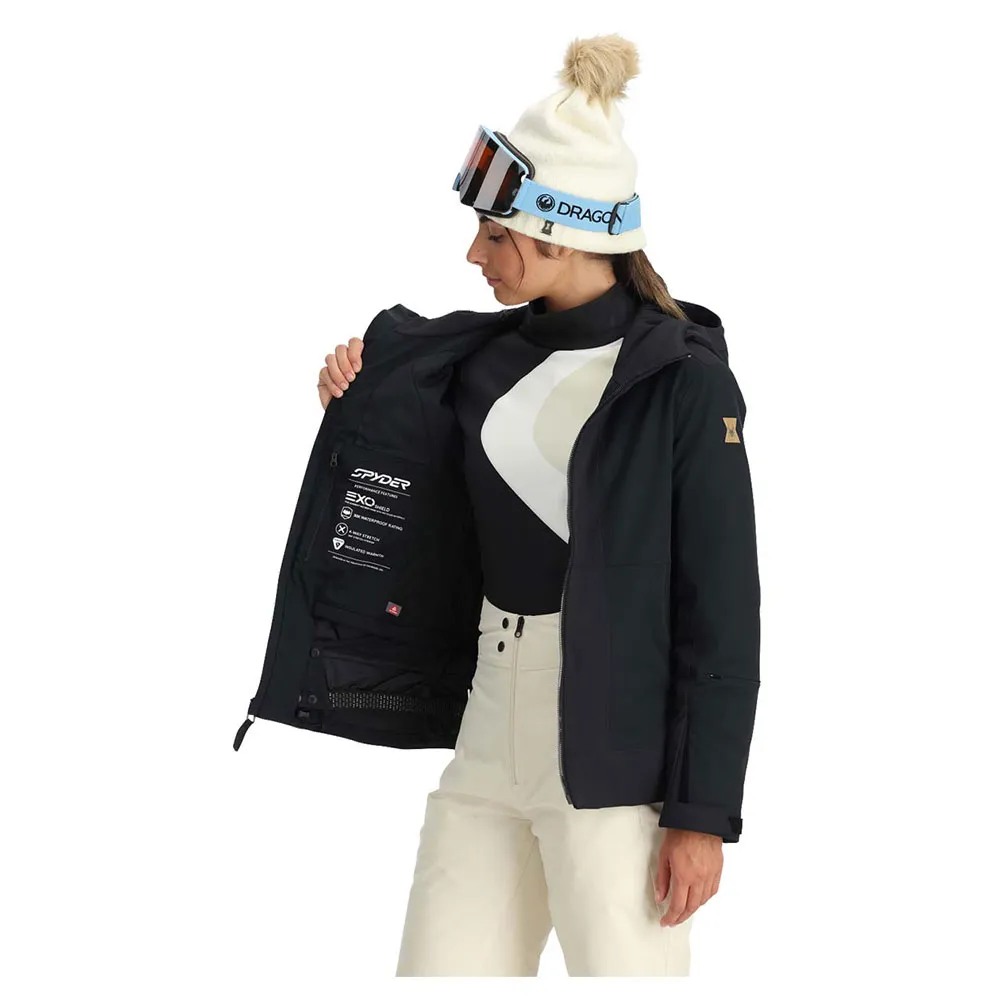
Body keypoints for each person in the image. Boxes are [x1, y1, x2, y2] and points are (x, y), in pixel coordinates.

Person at [317, 34, 760, 977]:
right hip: (486, 733)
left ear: (561, 232)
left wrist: (700, 812)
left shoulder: (683, 385)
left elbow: (721, 610)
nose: (472, 253)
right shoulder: (476, 360)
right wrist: (353, 401)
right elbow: (423, 513)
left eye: (496, 234)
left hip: (617, 767)